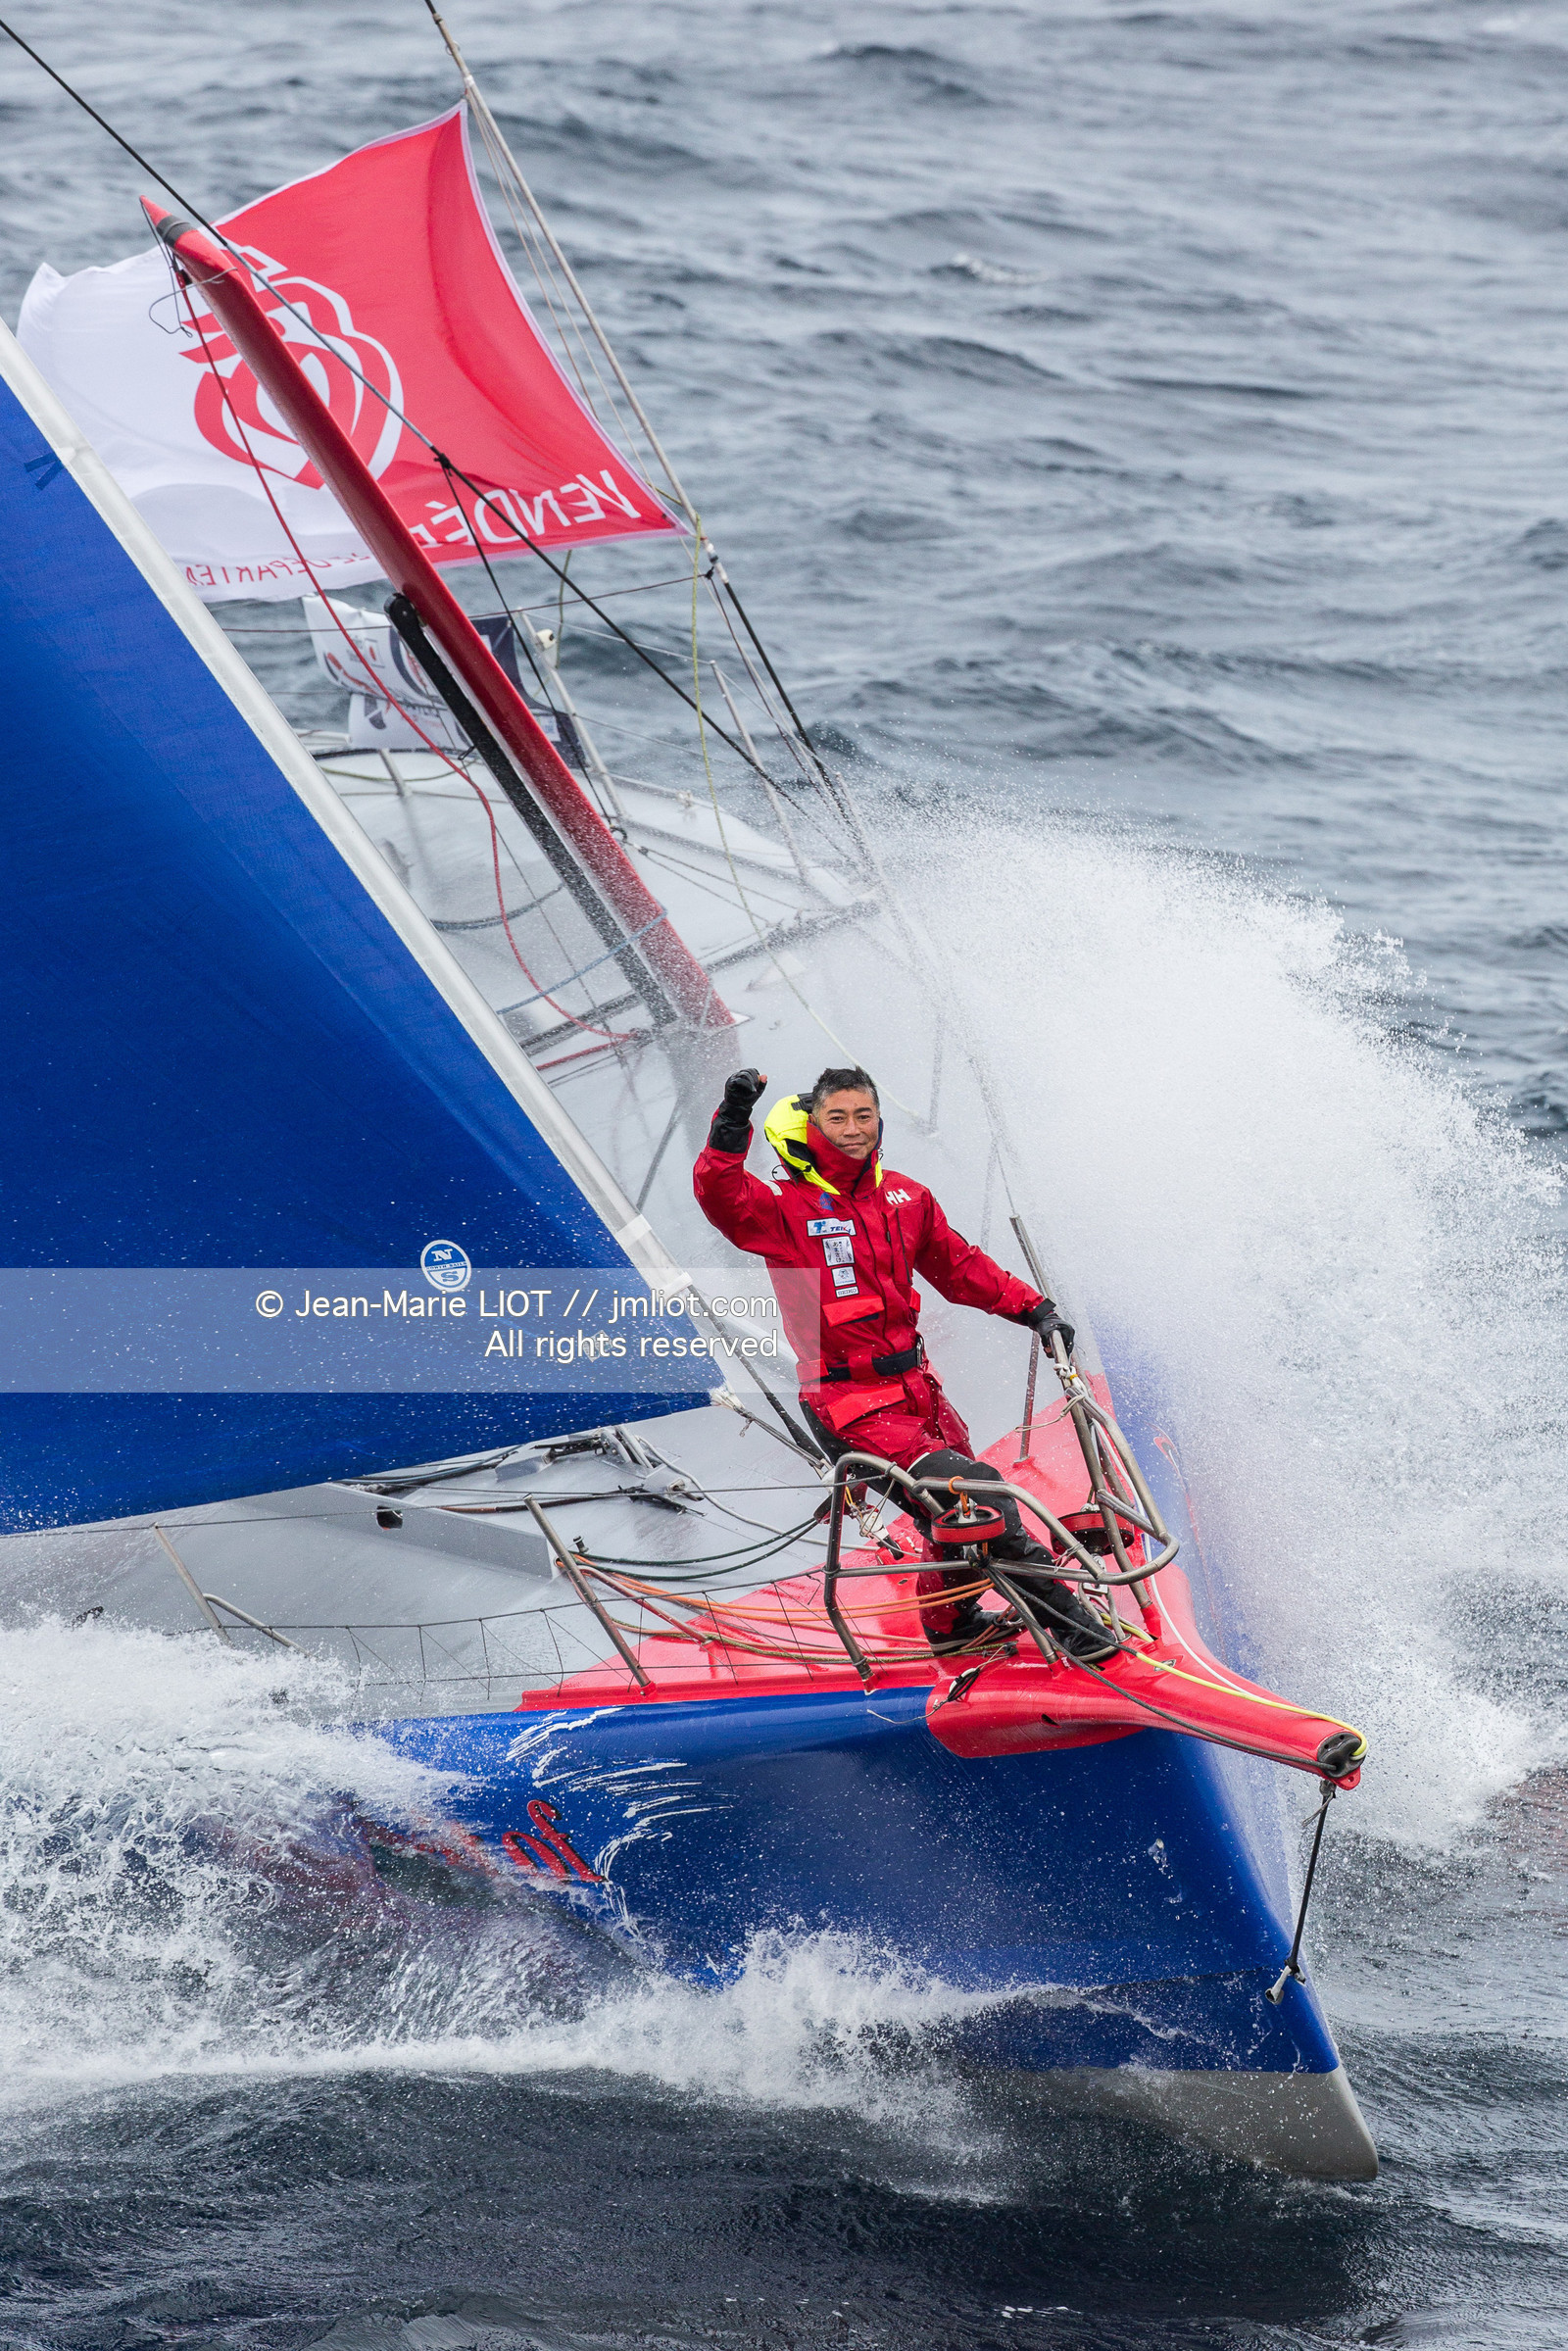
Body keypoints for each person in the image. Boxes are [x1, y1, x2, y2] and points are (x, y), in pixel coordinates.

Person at [693, 1063, 1117, 1660]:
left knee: (954, 1515)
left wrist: (1036, 1309)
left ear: (878, 1120)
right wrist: (732, 1119)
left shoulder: (908, 1198)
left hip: (920, 1390)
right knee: (979, 1500)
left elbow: (959, 1266)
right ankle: (1081, 1633)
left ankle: (951, 1628)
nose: (851, 1129)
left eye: (862, 1115)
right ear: (814, 1124)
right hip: (848, 1403)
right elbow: (721, 1196)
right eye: (836, 1117)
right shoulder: (784, 1209)